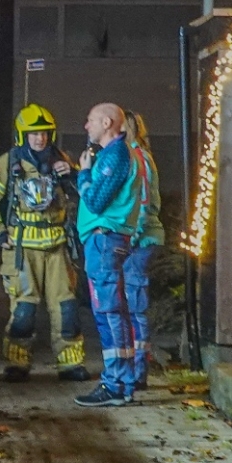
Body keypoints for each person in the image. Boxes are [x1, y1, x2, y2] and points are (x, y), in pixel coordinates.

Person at [0, 104, 85, 381]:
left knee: (66, 307)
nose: (40, 139)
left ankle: (70, 362)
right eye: (34, 134)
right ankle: (17, 362)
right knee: (24, 310)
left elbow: (83, 196)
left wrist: (71, 175)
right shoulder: (8, 163)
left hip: (57, 245)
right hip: (22, 246)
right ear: (23, 135)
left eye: (45, 133)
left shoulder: (62, 161)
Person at [73, 102, 145, 408]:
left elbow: (96, 200)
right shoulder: (117, 154)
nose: (86, 126)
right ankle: (122, 382)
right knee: (113, 311)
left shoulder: (115, 155)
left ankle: (115, 383)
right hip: (106, 242)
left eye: (90, 120)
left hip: (104, 242)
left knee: (108, 313)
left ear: (106, 122)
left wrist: (84, 173)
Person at [125, 110, 165, 387]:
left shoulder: (136, 157)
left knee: (134, 306)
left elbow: (142, 201)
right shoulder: (138, 155)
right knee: (133, 306)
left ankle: (138, 372)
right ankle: (137, 369)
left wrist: (131, 237)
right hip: (141, 239)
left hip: (139, 241)